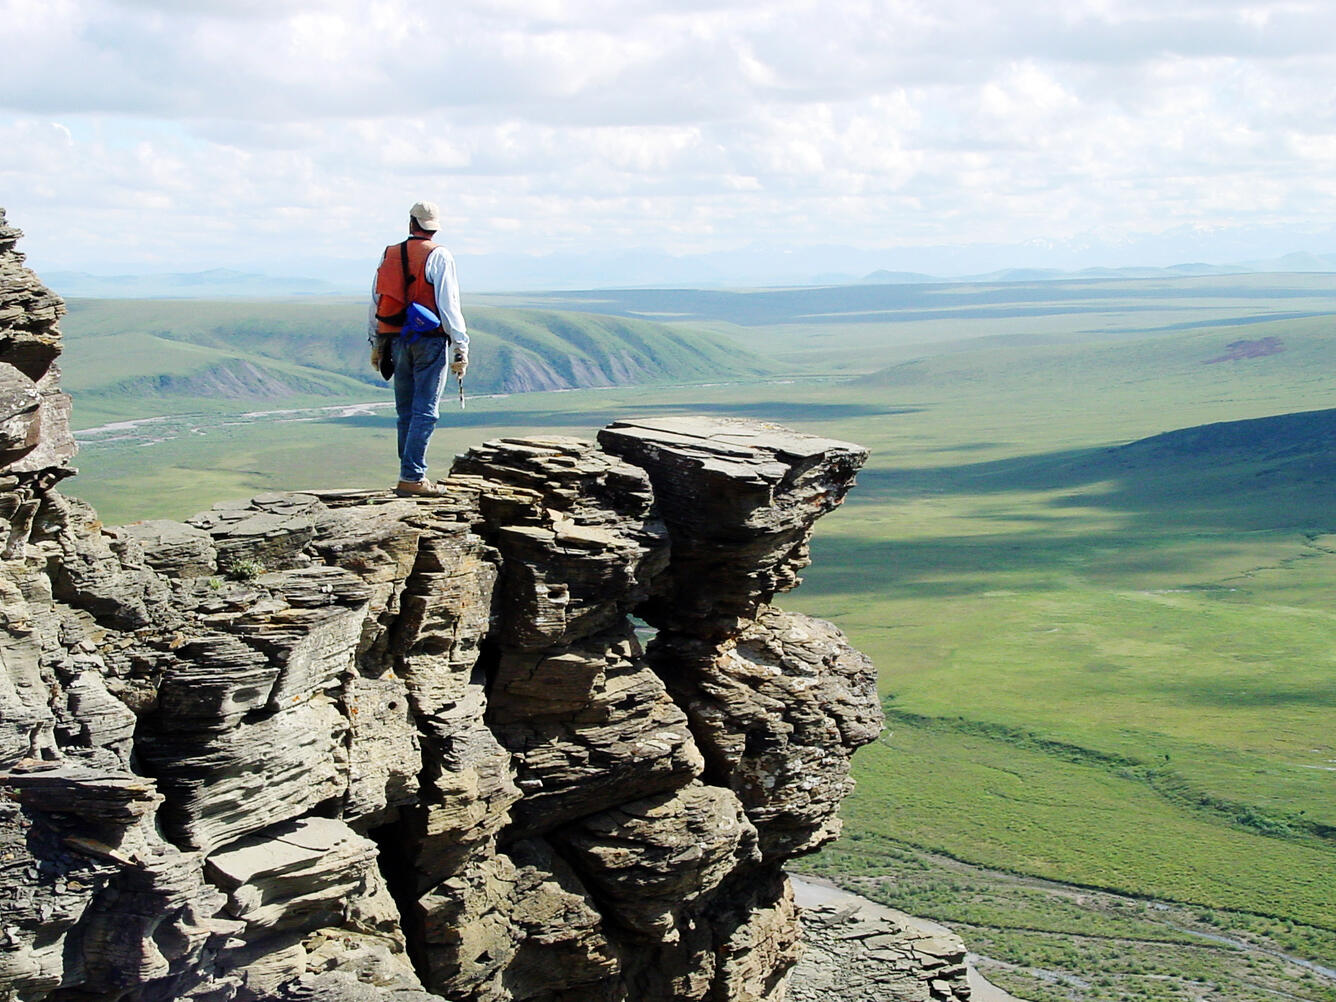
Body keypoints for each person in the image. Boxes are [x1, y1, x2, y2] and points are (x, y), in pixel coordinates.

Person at [369, 201, 469, 497]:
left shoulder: (389, 254)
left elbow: (376, 299)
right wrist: (461, 347)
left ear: (410, 223)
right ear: (433, 227)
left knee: (406, 411)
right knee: (426, 411)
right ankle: (412, 477)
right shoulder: (439, 255)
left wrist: (376, 342)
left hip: (395, 338)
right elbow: (449, 305)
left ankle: (408, 474)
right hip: (429, 339)